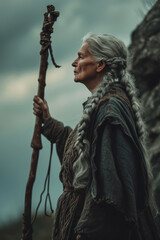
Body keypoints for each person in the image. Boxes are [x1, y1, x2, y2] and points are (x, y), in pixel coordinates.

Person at [33, 33, 160, 240]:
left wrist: (89, 231)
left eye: (81, 57)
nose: (74, 63)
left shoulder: (109, 109)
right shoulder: (103, 105)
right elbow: (84, 156)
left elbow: (110, 184)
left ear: (100, 65)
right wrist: (48, 122)